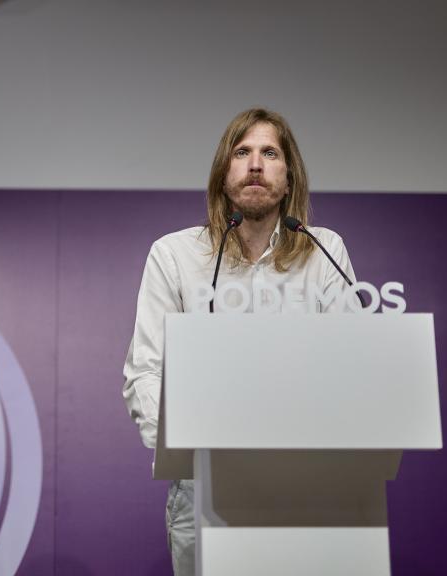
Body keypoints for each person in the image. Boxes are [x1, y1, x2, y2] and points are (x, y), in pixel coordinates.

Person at [121, 108, 356, 575]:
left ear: (288, 177)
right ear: (222, 174)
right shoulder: (175, 255)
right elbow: (146, 373)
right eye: (242, 152)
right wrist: (186, 443)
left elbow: (352, 364)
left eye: (270, 153)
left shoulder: (324, 249)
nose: (255, 164)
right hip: (204, 489)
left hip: (304, 487)